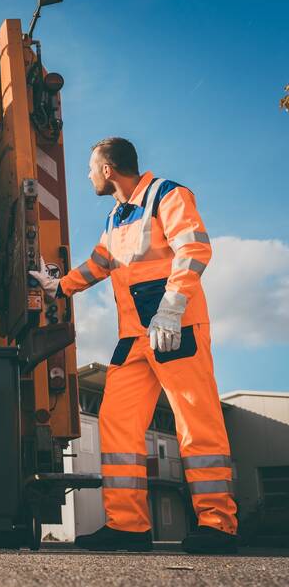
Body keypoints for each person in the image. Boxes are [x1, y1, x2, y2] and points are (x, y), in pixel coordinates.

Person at [30, 137, 237, 554]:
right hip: (136, 338)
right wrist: (59, 287)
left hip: (176, 329)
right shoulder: (116, 219)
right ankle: (128, 525)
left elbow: (194, 248)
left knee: (196, 422)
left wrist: (172, 309)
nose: (88, 175)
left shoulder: (168, 195)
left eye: (91, 168)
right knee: (116, 420)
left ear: (108, 170)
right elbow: (100, 264)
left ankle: (218, 523)